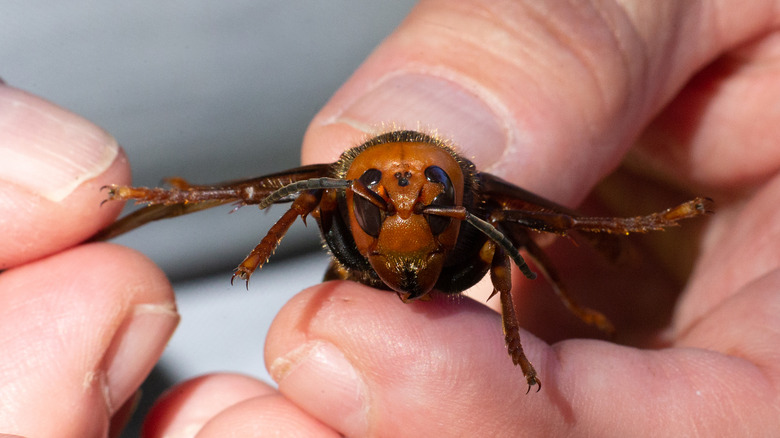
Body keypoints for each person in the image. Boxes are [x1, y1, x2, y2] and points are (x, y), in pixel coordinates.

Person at [2, 1, 779, 436]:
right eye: (384, 197)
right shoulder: (337, 192)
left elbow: (550, 223)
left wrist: (608, 249)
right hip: (273, 320)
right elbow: (261, 191)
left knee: (501, 241)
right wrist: (172, 201)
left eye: (425, 196)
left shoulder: (476, 202)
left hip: (386, 354)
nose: (405, 209)